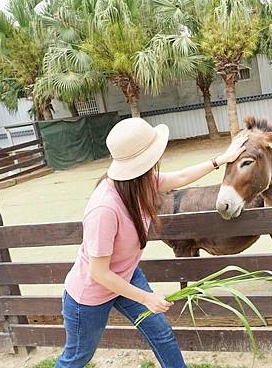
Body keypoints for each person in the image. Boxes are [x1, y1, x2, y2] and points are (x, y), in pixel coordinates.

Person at [54, 117, 248, 368]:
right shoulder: (104, 208)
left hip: (126, 276)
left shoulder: (140, 183)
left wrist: (221, 160)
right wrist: (146, 298)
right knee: (78, 357)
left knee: (162, 336)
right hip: (91, 295)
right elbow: (98, 272)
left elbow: (179, 177)